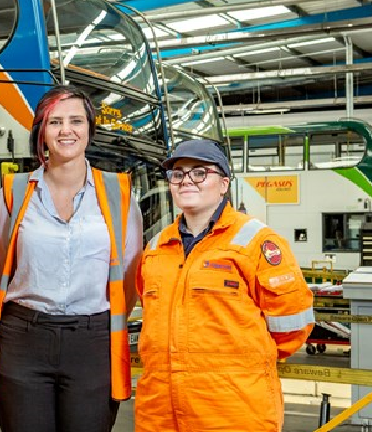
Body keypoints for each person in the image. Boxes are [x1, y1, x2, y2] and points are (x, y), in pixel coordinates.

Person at [0, 85, 143, 432]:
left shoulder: (119, 191)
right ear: (41, 132)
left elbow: (131, 275)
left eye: (76, 121)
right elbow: (0, 266)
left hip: (93, 343)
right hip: (23, 339)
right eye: (55, 122)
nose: (66, 130)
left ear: (89, 130)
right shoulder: (14, 190)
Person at [135, 139, 314, 432]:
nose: (186, 181)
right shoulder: (156, 248)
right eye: (177, 174)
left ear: (223, 184)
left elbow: (292, 326)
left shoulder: (256, 242)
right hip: (160, 414)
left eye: (199, 173)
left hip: (232, 412)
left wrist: (240, 366)